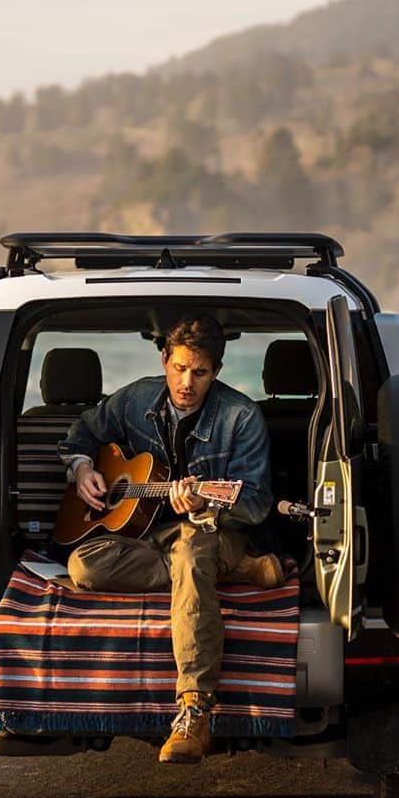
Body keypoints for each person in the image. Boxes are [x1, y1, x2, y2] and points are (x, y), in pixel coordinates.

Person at [58, 316, 283, 764]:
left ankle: (194, 708)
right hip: (147, 535)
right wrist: (84, 469)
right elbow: (82, 432)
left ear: (216, 371)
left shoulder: (241, 417)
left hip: (217, 530)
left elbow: (256, 503)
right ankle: (243, 573)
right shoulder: (137, 398)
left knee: (193, 550)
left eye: (199, 373)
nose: (186, 382)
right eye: (179, 368)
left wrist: (205, 503)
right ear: (164, 359)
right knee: (84, 564)